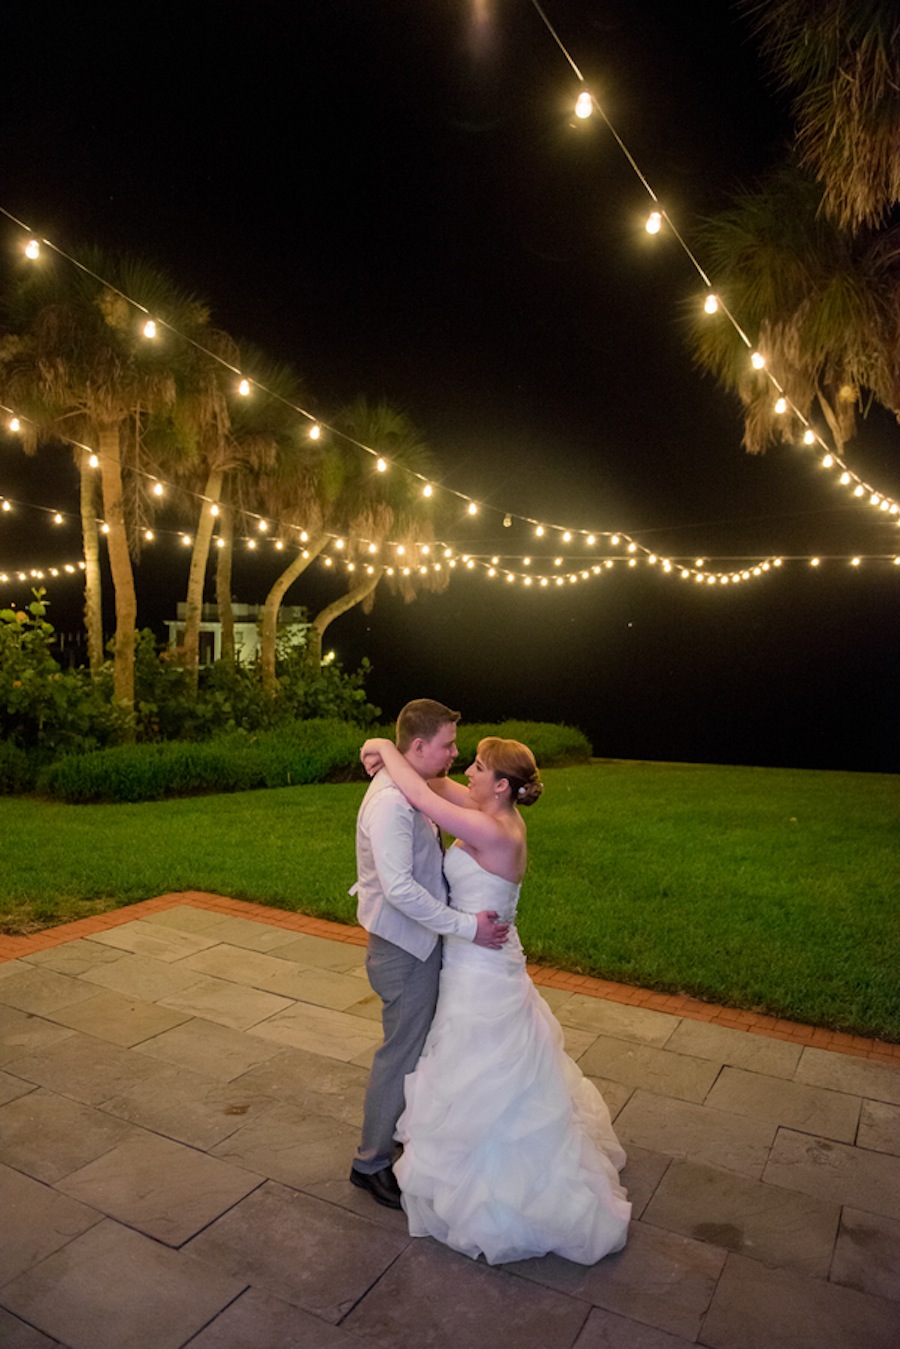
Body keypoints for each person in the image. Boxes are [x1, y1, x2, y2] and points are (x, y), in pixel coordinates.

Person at [358, 732, 631, 1266]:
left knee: (480, 1061)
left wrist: (382, 747)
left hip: (479, 963)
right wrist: (401, 759)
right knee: (476, 1058)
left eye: (479, 767)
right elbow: (433, 782)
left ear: (502, 786)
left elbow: (424, 798)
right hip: (474, 956)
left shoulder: (491, 828)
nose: (469, 772)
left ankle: (494, 1177)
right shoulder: (490, 809)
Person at [349, 699, 510, 1210]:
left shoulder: (411, 788)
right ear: (418, 746)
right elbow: (400, 889)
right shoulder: (392, 804)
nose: (455, 753)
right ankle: (370, 1163)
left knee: (412, 1049)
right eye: (447, 745)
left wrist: (378, 745)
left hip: (419, 944)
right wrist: (467, 928)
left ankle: (394, 1136)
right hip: (402, 949)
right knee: (399, 1053)